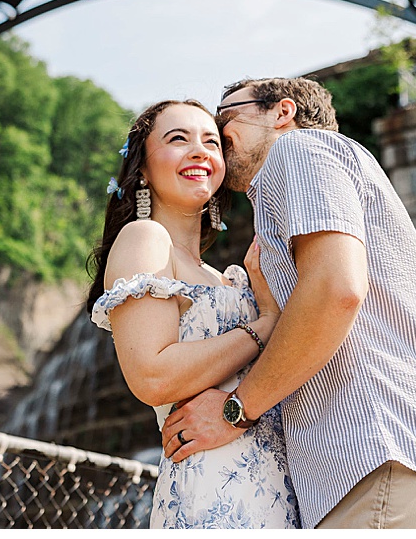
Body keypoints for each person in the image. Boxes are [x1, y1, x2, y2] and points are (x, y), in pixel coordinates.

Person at [159, 76, 416, 531]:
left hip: (383, 470)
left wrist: (235, 410)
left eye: (226, 118)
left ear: (282, 113)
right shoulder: (316, 176)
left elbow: (337, 290)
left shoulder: (297, 151)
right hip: (403, 476)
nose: (217, 135)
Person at [88, 98, 297, 530]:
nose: (200, 150)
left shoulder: (230, 276)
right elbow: (152, 375)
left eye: (211, 142)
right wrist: (264, 325)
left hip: (283, 491)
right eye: (177, 139)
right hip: (212, 493)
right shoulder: (145, 240)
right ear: (142, 168)